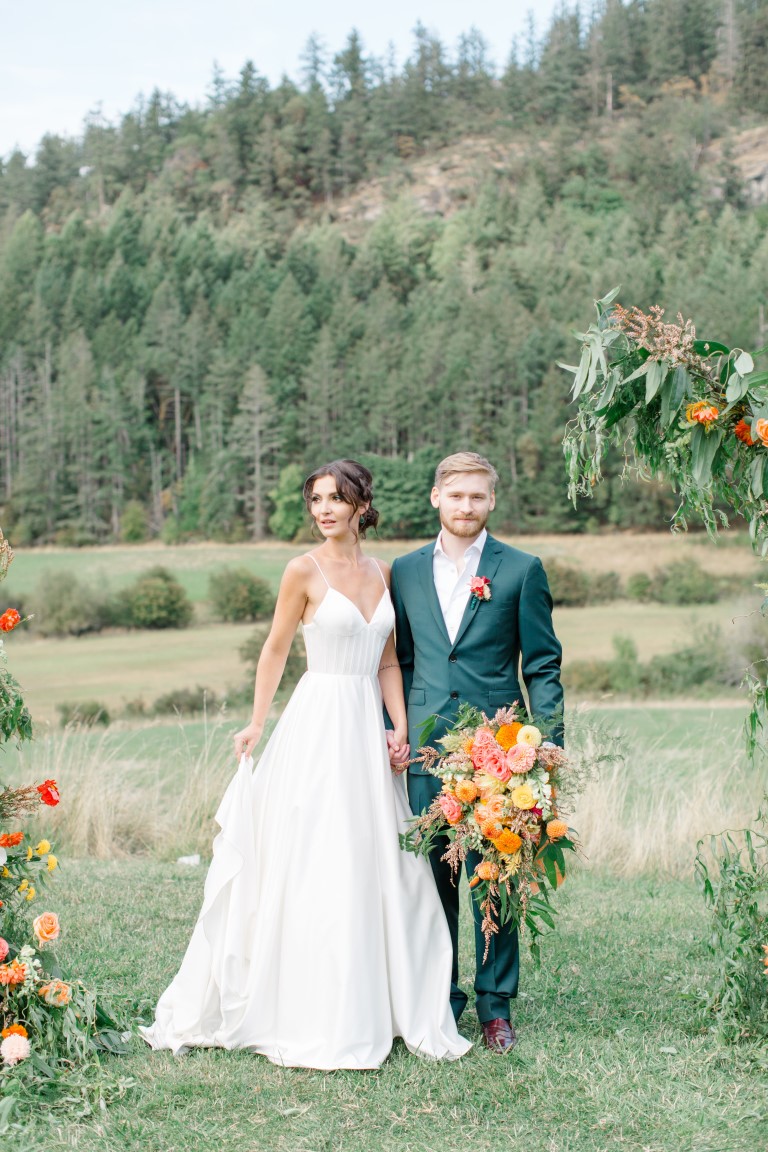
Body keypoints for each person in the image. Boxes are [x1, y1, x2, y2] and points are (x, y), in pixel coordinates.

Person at [140, 460, 470, 1069]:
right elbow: (275, 648)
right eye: (316, 499)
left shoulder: (382, 572)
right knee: (319, 856)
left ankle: (389, 1001)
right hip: (318, 722)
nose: (324, 509)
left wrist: (397, 726)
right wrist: (257, 721)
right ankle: (309, 1005)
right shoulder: (303, 570)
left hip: (365, 730)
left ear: (360, 505)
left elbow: (388, 661)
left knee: (381, 860)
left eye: (336, 499)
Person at [388, 451, 564, 1054]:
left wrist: (547, 747)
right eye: (456, 495)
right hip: (425, 751)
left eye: (478, 497)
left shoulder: (521, 569)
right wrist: (393, 728)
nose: (467, 506)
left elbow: (541, 665)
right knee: (430, 876)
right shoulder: (405, 572)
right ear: (435, 497)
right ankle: (438, 998)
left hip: (500, 748)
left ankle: (494, 1006)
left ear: (492, 502)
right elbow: (400, 661)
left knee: (496, 874)